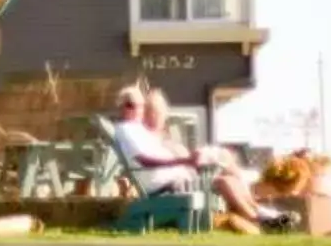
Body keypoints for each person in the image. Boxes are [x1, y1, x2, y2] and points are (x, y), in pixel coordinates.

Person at [109, 86, 279, 228]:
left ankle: (263, 213)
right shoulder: (127, 130)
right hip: (166, 187)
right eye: (132, 105)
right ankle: (259, 220)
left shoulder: (140, 131)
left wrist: (186, 158)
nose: (138, 109)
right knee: (224, 181)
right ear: (123, 107)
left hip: (178, 179)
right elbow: (144, 160)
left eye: (140, 105)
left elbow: (157, 150)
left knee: (227, 172)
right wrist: (185, 161)